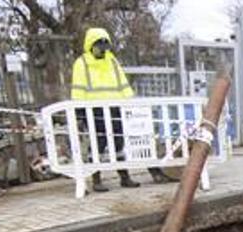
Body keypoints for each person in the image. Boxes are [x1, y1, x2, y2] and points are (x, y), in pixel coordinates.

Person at [70, 28, 175, 192]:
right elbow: (78, 89)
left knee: (118, 142)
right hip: (94, 110)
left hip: (115, 108)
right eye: (99, 45)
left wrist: (131, 104)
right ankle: (96, 179)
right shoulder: (82, 63)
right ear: (91, 45)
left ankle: (124, 177)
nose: (103, 50)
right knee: (99, 144)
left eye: (105, 45)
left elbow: (123, 85)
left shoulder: (112, 61)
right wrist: (80, 113)